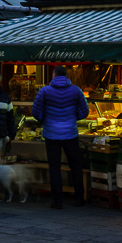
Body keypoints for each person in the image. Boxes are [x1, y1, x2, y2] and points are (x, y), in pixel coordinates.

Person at [32, 65, 89, 209]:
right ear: (66, 75)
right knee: (76, 166)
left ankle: (57, 200)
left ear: (54, 75)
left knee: (54, 167)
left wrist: (45, 120)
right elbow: (85, 111)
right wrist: (73, 118)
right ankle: (79, 198)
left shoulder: (44, 91)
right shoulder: (76, 90)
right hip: (70, 133)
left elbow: (35, 111)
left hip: (51, 134)